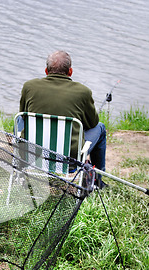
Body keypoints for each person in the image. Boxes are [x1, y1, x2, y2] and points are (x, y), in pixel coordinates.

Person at [19, 50, 107, 188]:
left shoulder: (29, 87)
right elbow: (92, 123)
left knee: (21, 119)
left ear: (46, 71)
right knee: (100, 127)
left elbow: (23, 115)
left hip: (32, 156)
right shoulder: (83, 92)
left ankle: (20, 170)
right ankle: (97, 181)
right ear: (70, 72)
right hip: (68, 162)